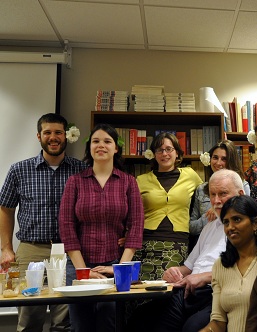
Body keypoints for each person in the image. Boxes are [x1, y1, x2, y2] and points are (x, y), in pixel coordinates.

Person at [126, 169, 245, 332]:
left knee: (192, 327)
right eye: (212, 194)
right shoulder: (209, 226)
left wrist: (205, 277)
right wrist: (174, 271)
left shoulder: (251, 224)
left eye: (223, 193)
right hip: (189, 292)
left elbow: (249, 269)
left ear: (241, 193)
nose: (216, 201)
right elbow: (189, 268)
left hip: (218, 293)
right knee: (140, 317)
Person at [0, 113, 87, 331]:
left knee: (64, 321)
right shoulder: (19, 170)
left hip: (70, 252)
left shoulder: (81, 171)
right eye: (47, 132)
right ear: (39, 136)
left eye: (58, 132)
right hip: (31, 250)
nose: (53, 137)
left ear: (66, 136)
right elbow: (5, 209)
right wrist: (6, 249)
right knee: (29, 318)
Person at [59, 123, 144, 331]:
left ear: (116, 148)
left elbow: (136, 225)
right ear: (89, 147)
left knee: (110, 322)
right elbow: (66, 226)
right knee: (80, 324)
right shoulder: (75, 182)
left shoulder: (128, 182)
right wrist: (83, 271)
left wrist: (119, 269)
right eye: (96, 141)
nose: (101, 145)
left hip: (115, 264)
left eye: (107, 141)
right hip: (79, 266)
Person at [134, 132, 203, 280]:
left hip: (177, 242)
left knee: (169, 287)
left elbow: (206, 195)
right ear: (154, 154)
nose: (164, 154)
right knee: (140, 291)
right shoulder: (141, 180)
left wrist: (209, 212)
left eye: (169, 149)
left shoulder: (190, 175)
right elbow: (131, 212)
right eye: (159, 150)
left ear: (176, 152)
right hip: (145, 243)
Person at [200, 195, 257, 332]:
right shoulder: (221, 265)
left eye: (237, 219)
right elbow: (218, 322)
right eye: (226, 222)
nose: (230, 227)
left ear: (255, 224)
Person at [190, 140, 250, 249]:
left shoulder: (242, 185)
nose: (218, 163)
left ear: (231, 161)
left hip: (231, 244)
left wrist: (222, 211)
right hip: (205, 245)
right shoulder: (201, 189)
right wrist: (208, 216)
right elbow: (192, 227)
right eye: (215, 158)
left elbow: (246, 218)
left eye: (224, 159)